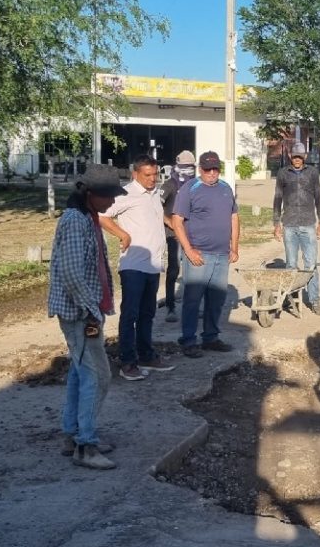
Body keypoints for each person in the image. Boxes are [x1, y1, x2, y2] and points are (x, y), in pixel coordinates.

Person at [48, 164, 126, 470]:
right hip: (80, 313)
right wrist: (91, 310)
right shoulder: (74, 221)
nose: (112, 203)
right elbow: (71, 273)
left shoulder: (88, 218)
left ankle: (73, 434)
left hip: (87, 310)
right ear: (90, 194)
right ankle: (86, 446)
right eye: (108, 197)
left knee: (81, 373)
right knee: (98, 375)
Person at [99, 154, 175, 381]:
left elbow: (156, 217)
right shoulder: (125, 194)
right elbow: (102, 215)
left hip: (153, 265)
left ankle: (146, 356)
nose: (153, 179)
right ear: (135, 174)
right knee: (130, 314)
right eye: (147, 175)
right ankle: (127, 362)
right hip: (133, 265)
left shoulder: (154, 194)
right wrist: (122, 234)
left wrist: (175, 225)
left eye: (155, 174)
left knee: (147, 314)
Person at [172, 150, 240, 358]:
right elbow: (177, 221)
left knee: (216, 299)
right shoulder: (190, 189)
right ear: (200, 169)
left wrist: (234, 247)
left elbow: (234, 217)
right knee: (193, 299)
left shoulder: (226, 188)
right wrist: (189, 250)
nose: (212, 173)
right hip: (199, 254)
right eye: (208, 169)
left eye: (215, 169)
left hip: (222, 254)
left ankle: (210, 337)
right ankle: (189, 340)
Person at [273, 141, 320, 315]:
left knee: (310, 264)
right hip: (289, 224)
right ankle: (290, 299)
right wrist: (276, 224)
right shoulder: (283, 173)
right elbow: (277, 199)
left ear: (304, 156)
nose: (297, 159)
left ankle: (315, 300)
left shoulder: (312, 173)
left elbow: (318, 198)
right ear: (290, 156)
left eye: (300, 156)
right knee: (291, 265)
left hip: (308, 224)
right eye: (294, 156)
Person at [160, 150, 197, 323]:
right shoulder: (169, 185)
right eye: (184, 167)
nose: (188, 171)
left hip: (192, 234)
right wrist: (169, 222)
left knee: (194, 270)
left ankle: (193, 306)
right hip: (174, 235)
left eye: (191, 168)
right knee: (174, 269)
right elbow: (155, 207)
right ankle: (170, 306)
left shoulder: (196, 184)